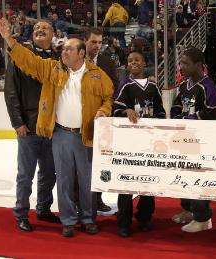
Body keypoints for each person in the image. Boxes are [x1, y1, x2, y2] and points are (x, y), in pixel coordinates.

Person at [0, 17, 114, 237]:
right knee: (65, 179)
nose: (64, 52)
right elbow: (29, 61)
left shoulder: (97, 74)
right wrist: (9, 39)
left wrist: (104, 110)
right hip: (60, 134)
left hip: (86, 135)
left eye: (69, 49)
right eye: (63, 49)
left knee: (86, 180)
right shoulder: (53, 69)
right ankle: (68, 220)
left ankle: (88, 218)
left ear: (81, 53)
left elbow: (108, 97)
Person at [4, 20, 60, 232]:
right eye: (37, 28)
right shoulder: (20, 56)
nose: (40, 30)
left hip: (52, 127)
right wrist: (18, 122)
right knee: (25, 174)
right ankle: (21, 213)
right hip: (28, 126)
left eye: (45, 28)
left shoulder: (58, 58)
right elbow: (11, 92)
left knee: (49, 172)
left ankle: (44, 209)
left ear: (53, 34)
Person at [170, 47, 216, 233]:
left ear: (198, 65)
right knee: (184, 176)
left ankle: (203, 218)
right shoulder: (185, 86)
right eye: (180, 62)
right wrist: (178, 119)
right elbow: (176, 107)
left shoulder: (208, 86)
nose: (181, 67)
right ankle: (189, 210)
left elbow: (213, 113)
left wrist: (192, 119)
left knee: (199, 178)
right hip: (185, 140)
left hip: (202, 143)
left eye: (185, 63)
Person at [113, 50, 166, 237]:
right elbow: (116, 109)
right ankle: (123, 222)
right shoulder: (124, 85)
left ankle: (144, 217)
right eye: (129, 61)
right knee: (126, 183)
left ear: (145, 63)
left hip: (149, 142)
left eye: (137, 60)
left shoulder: (153, 86)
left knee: (148, 182)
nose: (133, 63)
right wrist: (125, 110)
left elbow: (161, 112)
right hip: (129, 143)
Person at [84, 27, 118, 214]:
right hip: (79, 122)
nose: (97, 46)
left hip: (102, 121)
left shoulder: (108, 62)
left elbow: (112, 92)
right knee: (81, 165)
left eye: (99, 42)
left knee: (98, 164)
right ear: (85, 41)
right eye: (93, 42)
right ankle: (82, 201)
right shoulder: (75, 60)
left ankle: (97, 200)